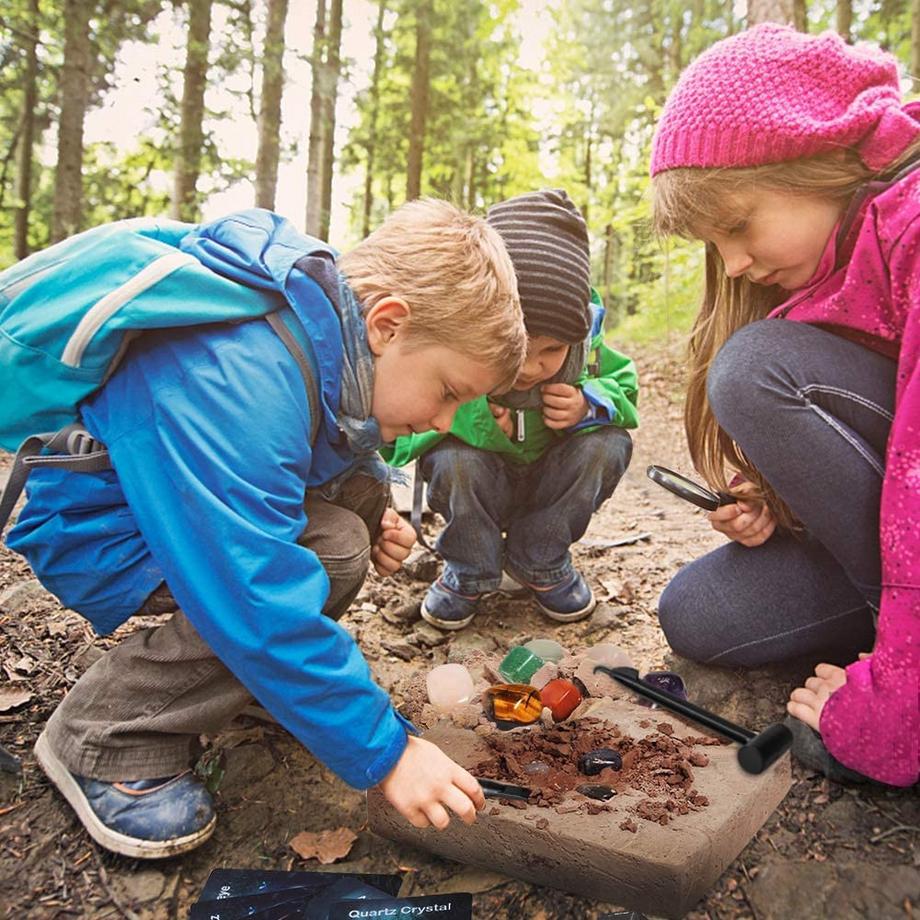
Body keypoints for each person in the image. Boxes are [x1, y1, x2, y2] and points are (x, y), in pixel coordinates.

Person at [4, 201, 526, 857]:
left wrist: (376, 510)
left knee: (348, 522)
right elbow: (254, 592)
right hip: (94, 533)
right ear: (388, 325)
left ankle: (239, 684)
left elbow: (332, 444)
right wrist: (386, 752)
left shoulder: (316, 335)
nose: (448, 422)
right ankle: (106, 732)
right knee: (322, 558)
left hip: (151, 512)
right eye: (448, 390)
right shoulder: (235, 372)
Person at [649, 24, 918, 787]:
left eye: (735, 226)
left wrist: (893, 704)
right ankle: (887, 630)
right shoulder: (826, 269)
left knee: (753, 370)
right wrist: (781, 502)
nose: (734, 263)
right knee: (696, 615)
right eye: (713, 244)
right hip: (890, 561)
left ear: (810, 158)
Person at [385, 190, 638, 630]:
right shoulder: (456, 361)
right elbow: (402, 440)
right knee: (453, 457)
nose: (531, 365)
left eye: (552, 349)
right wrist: (474, 417)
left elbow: (626, 390)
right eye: (517, 345)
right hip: (483, 489)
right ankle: (470, 566)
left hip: (549, 487)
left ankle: (540, 560)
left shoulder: (587, 352)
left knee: (610, 444)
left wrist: (589, 404)